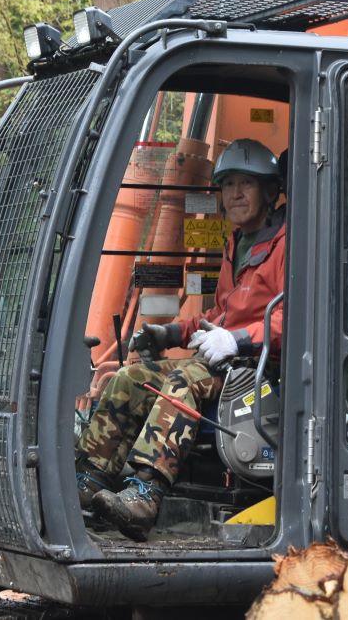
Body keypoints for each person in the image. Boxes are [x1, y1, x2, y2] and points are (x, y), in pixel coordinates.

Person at [76, 138, 287, 541]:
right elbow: (219, 313)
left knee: (181, 383)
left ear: (270, 190)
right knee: (128, 379)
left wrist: (239, 340)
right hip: (224, 357)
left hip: (259, 366)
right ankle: (90, 481)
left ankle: (145, 493)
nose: (236, 194)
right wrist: (170, 332)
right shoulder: (236, 242)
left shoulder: (287, 242)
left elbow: (294, 318)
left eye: (247, 184)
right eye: (228, 185)